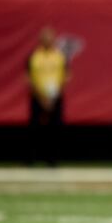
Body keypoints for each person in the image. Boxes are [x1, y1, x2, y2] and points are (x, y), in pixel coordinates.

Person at [26, 27, 69, 166]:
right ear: (40, 40)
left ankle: (52, 160)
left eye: (49, 37)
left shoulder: (59, 56)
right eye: (44, 37)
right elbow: (27, 78)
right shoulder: (34, 56)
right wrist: (40, 96)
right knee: (35, 129)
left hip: (55, 97)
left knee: (54, 129)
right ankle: (31, 159)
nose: (47, 40)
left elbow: (67, 77)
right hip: (37, 96)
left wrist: (55, 95)